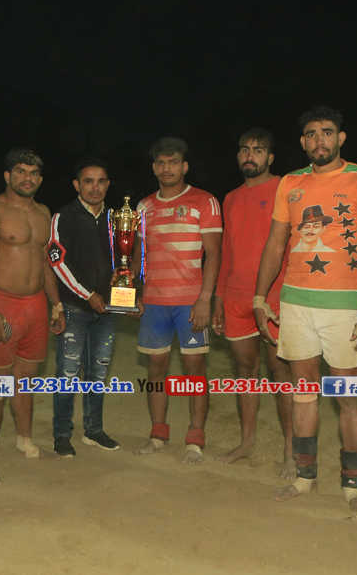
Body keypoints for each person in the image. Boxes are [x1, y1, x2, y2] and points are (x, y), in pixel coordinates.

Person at [253, 106, 357, 516]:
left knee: (348, 397)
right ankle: (304, 476)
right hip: (295, 303)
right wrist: (259, 298)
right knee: (304, 393)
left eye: (327, 132)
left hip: (343, 306)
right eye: (311, 134)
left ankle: (352, 483)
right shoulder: (291, 182)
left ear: (341, 138)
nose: (319, 140)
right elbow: (276, 243)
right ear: (302, 142)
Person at [0, 148, 66, 482]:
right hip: (3, 303)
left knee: (26, 381)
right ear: (7, 176)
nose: (27, 178)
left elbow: (45, 262)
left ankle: (24, 443)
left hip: (36, 305)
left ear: (40, 179)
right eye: (20, 171)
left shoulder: (44, 212)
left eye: (34, 173)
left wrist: (56, 304)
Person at [132, 137, 222, 465]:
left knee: (194, 370)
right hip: (154, 302)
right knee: (156, 369)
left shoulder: (204, 201)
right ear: (154, 167)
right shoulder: (143, 207)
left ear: (184, 166)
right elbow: (138, 257)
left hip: (190, 302)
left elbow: (214, 253)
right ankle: (158, 434)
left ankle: (195, 439)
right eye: (160, 163)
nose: (166, 168)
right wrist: (134, 294)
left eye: (172, 162)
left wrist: (205, 299)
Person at [211, 129, 294, 476]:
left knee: (281, 371)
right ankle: (247, 442)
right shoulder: (230, 198)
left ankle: (291, 451)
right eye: (245, 150)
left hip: (276, 297)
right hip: (236, 296)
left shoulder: (284, 189)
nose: (250, 156)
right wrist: (219, 295)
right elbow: (227, 250)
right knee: (245, 370)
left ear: (270, 158)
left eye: (258, 151)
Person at [47, 157, 124, 457]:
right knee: (67, 373)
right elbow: (57, 261)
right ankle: (61, 434)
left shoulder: (116, 219)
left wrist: (129, 294)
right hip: (74, 309)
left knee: (98, 373)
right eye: (89, 181)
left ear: (107, 184)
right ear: (77, 184)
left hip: (107, 312)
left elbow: (125, 261)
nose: (95, 187)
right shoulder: (64, 216)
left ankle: (93, 430)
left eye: (101, 181)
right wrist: (87, 294)